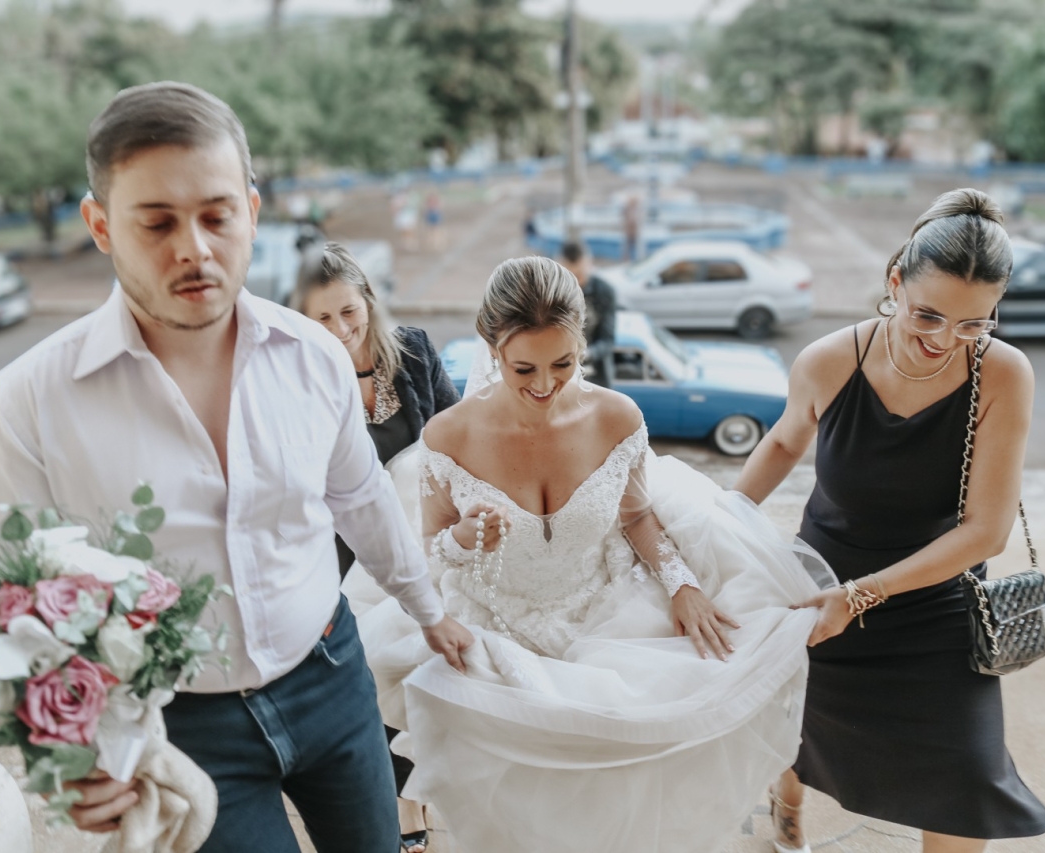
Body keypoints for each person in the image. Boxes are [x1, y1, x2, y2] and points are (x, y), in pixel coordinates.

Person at [0, 81, 473, 853]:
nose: (194, 248)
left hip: (333, 671)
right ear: (100, 225)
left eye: (216, 215)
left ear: (252, 212)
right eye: (157, 221)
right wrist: (63, 752)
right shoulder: (28, 400)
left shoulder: (315, 357)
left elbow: (360, 496)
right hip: (179, 727)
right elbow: (4, 599)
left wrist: (429, 609)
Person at [350, 255, 832, 853]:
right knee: (522, 811)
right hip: (495, 630)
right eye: (523, 368)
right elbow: (431, 546)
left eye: (564, 363)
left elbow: (636, 515)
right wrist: (464, 539)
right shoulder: (449, 437)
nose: (545, 385)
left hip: (608, 619)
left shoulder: (616, 417)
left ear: (582, 344)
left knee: (619, 792)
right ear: (491, 348)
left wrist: (680, 582)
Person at [734, 188, 1045, 853]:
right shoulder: (827, 359)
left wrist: (865, 594)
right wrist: (715, 527)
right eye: (927, 315)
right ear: (894, 280)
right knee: (795, 728)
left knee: (966, 779)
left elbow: (986, 531)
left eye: (973, 324)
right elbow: (785, 442)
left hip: (937, 600)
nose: (943, 340)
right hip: (822, 585)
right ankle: (787, 801)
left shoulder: (1004, 375)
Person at [293, 240, 459, 853]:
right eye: (321, 318)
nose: (340, 329)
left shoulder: (414, 351)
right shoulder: (298, 378)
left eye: (348, 311)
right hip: (346, 556)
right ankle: (405, 807)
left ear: (368, 299)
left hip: (428, 537)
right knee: (375, 674)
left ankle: (426, 785)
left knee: (424, 668)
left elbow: (454, 433)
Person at [557, 239, 616, 388]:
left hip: (596, 375)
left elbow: (608, 340)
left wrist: (585, 354)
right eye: (570, 276)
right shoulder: (553, 293)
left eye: (579, 275)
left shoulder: (604, 292)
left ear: (589, 264)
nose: (576, 283)